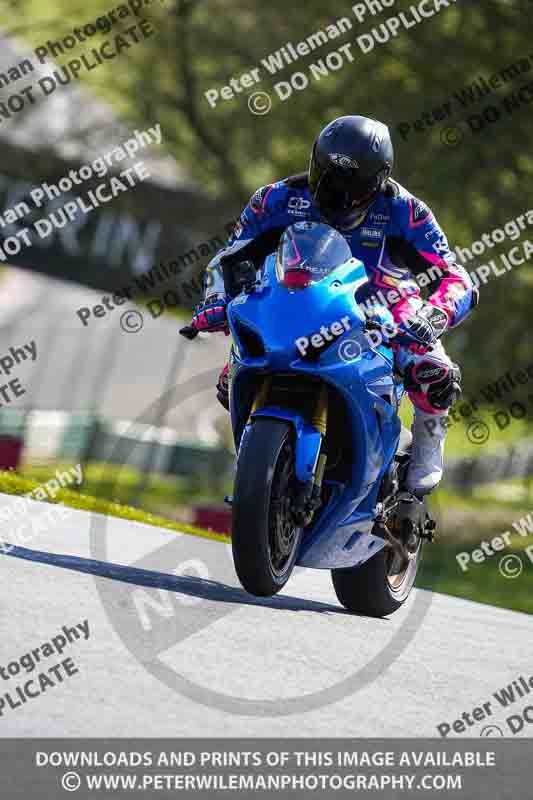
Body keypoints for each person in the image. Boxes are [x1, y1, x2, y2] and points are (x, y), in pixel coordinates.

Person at [190, 115, 478, 503]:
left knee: (434, 372)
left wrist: (434, 314)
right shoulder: (275, 199)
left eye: (350, 185)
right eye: (326, 177)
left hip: (382, 309)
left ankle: (426, 446)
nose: (334, 193)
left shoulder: (406, 212)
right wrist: (216, 299)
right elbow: (229, 257)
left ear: (378, 180)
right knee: (232, 378)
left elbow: (455, 276)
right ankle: (259, 470)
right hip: (293, 303)